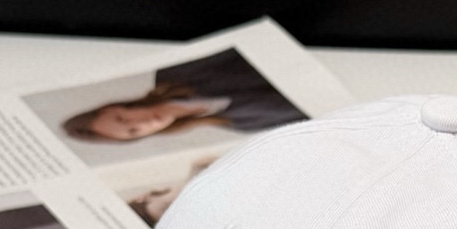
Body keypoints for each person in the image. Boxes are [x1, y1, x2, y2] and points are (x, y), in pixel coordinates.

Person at [61, 47, 305, 145]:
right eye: (133, 131)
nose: (142, 124)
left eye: (123, 119)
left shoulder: (176, 69)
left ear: (114, 107)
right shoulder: (239, 125)